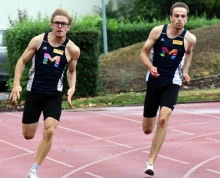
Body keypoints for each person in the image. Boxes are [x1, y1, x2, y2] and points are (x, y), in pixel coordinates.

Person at [9, 8, 80, 178]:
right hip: (34, 92)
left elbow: (71, 72)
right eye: (57, 23)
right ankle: (37, 121)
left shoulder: (72, 50)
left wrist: (72, 87)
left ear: (69, 27)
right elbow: (21, 61)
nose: (60, 26)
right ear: (51, 24)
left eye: (64, 24)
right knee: (28, 135)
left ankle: (33, 169)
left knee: (49, 131)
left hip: (53, 95)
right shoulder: (38, 41)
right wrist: (16, 84)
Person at [140, 2, 196, 176]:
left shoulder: (190, 39)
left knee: (163, 119)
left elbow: (189, 53)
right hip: (154, 82)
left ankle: (150, 163)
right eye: (176, 16)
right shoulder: (158, 32)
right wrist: (150, 67)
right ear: (170, 17)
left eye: (183, 16)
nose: (179, 19)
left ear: (186, 19)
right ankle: (151, 126)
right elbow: (143, 53)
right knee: (147, 129)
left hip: (173, 82)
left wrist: (185, 71)